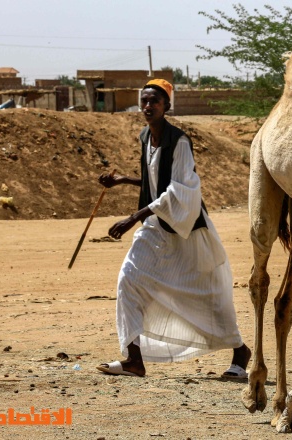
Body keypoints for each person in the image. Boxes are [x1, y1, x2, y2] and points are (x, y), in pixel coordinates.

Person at [95, 79, 250, 378]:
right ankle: (133, 359)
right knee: (129, 279)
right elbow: (156, 183)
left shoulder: (179, 141)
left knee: (208, 292)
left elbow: (181, 191)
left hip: (187, 228)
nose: (148, 106)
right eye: (144, 101)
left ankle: (240, 351)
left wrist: (132, 217)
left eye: (155, 101)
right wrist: (123, 181)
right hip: (155, 225)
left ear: (167, 106)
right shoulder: (144, 137)